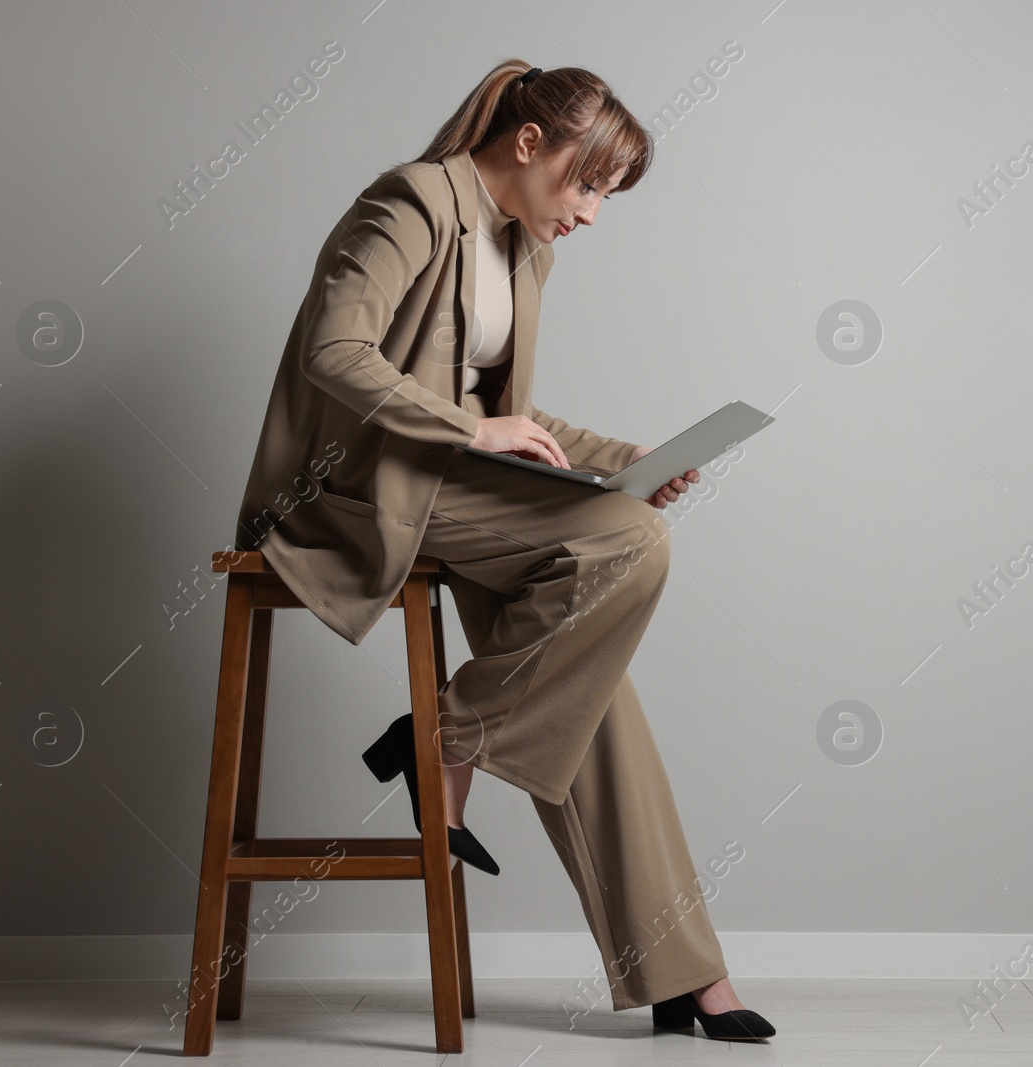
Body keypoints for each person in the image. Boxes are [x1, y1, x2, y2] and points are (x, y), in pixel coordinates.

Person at [232, 60, 775, 1040]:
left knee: (586, 679)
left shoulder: (521, 248)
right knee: (629, 544)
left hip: (448, 488)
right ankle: (447, 738)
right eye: (588, 184)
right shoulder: (407, 202)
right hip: (358, 494)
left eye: (605, 196)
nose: (592, 214)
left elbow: (506, 416)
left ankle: (681, 969)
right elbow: (335, 350)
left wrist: (626, 455)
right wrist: (473, 432)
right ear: (529, 144)